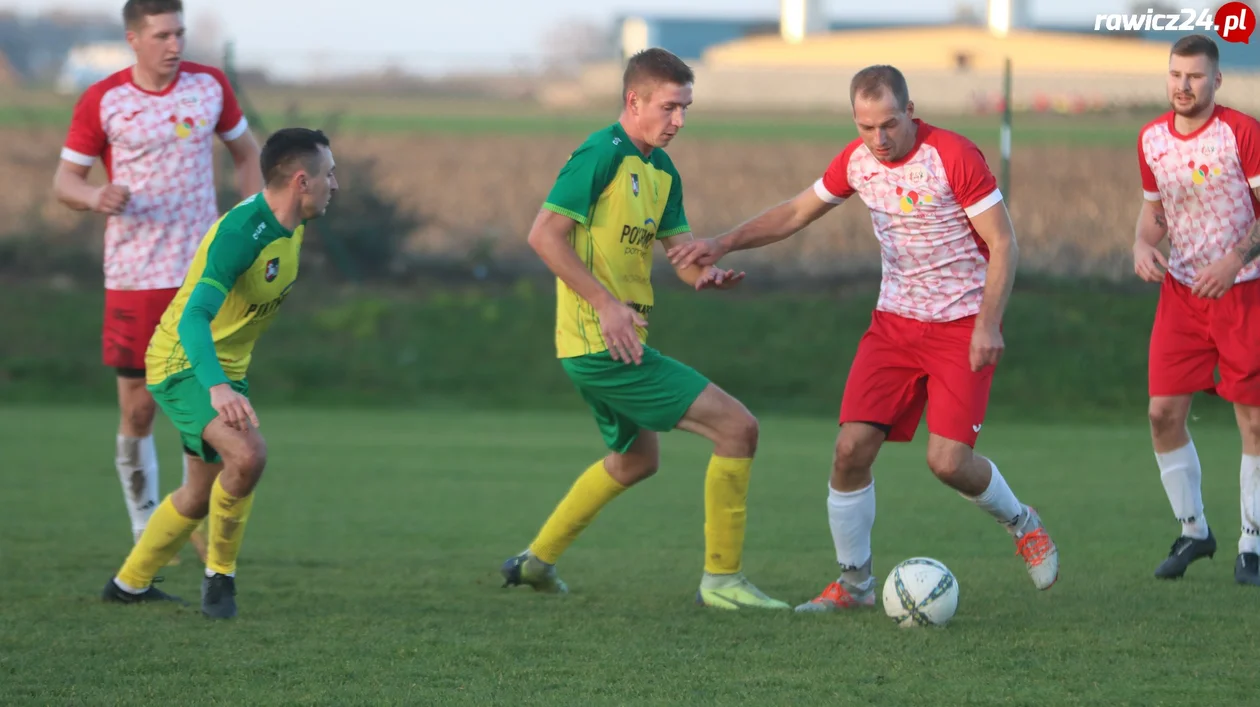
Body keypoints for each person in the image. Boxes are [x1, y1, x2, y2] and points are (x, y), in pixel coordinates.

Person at [667, 64, 1059, 612]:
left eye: (889, 125)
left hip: (960, 325)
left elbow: (1004, 243)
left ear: (910, 111)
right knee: (849, 451)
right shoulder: (857, 162)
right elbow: (797, 212)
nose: (878, 139)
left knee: (947, 462)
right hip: (894, 325)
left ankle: (1023, 522)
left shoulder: (953, 155)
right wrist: (723, 242)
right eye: (866, 127)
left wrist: (989, 322)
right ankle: (854, 585)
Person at [498, 48, 789, 610]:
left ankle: (535, 563)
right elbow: (543, 236)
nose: (679, 120)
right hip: (601, 344)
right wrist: (605, 304)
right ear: (634, 102)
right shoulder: (600, 153)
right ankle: (722, 580)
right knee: (738, 429)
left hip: (614, 342)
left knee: (637, 461)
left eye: (686, 108)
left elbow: (679, 254)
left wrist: (704, 273)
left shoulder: (661, 170)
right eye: (669, 107)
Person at [53, 0, 262, 564]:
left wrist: (249, 220)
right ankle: (145, 528)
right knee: (140, 409)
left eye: (181, 33)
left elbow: (247, 155)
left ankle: (190, 515)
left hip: (202, 277)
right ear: (133, 39)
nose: (175, 45)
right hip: (134, 277)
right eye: (163, 35)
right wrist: (95, 195)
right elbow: (65, 181)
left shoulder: (209, 86)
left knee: (207, 406)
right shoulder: (104, 100)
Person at [98, 127, 338, 619]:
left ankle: (129, 584)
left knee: (199, 494)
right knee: (248, 454)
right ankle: (220, 579)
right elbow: (192, 319)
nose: (336, 183)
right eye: (329, 174)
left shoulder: (294, 223)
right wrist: (219, 386)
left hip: (221, 367)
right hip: (184, 363)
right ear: (301, 181)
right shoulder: (240, 235)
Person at [1132, 34, 1260, 585]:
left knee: (1252, 419)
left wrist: (1235, 260)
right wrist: (1140, 244)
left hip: (1243, 288)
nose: (1184, 85)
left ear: (1216, 81)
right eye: (1176, 75)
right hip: (1182, 293)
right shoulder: (1152, 139)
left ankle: (1252, 543)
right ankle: (1194, 531)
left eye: (1195, 76)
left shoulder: (1242, 133)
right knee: (1162, 414)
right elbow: (1154, 214)